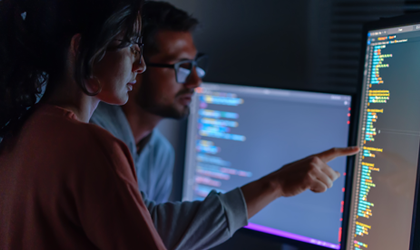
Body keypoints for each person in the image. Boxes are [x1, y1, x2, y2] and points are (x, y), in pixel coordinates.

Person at [0, 0, 359, 250]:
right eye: (130, 46)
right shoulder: (92, 143)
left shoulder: (29, 126)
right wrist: (278, 182)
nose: (137, 66)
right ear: (81, 49)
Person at [90, 1, 203, 203]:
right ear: (136, 65)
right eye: (182, 66)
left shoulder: (162, 153)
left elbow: (152, 230)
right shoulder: (90, 135)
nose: (195, 81)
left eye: (195, 65)